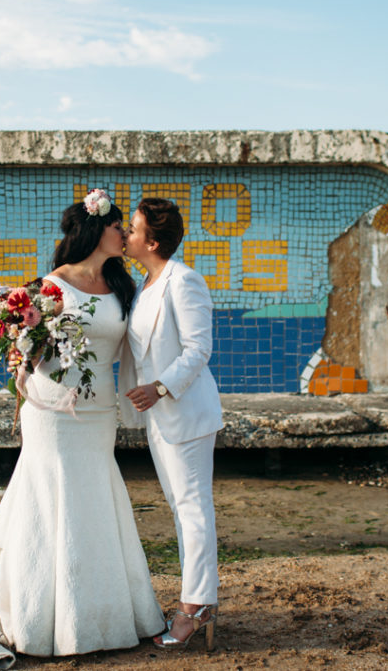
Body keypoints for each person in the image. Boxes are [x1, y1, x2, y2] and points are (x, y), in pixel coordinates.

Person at [0, 190, 164, 669]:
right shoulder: (47, 288)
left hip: (97, 415)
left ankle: (102, 615)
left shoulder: (123, 288)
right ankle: (37, 620)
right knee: (48, 502)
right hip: (51, 413)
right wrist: (20, 356)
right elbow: (11, 336)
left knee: (94, 500)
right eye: (119, 227)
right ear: (97, 230)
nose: (125, 235)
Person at [121, 197, 224, 650]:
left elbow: (199, 349)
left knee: (193, 510)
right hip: (158, 418)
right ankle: (195, 599)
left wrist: (161, 387)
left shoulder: (185, 281)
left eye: (134, 228)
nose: (127, 234)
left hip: (186, 412)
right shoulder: (144, 283)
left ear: (153, 241)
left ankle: (196, 607)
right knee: (182, 511)